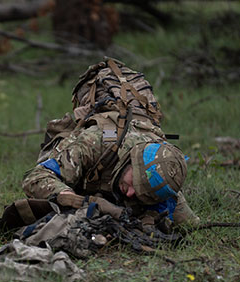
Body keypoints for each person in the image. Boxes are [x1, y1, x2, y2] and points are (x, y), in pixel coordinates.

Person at [21, 61, 200, 229]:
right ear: (133, 162)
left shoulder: (160, 167)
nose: (130, 193)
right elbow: (36, 178)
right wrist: (71, 198)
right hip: (88, 154)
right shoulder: (94, 142)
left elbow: (188, 223)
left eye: (139, 193)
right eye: (133, 184)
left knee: (184, 224)